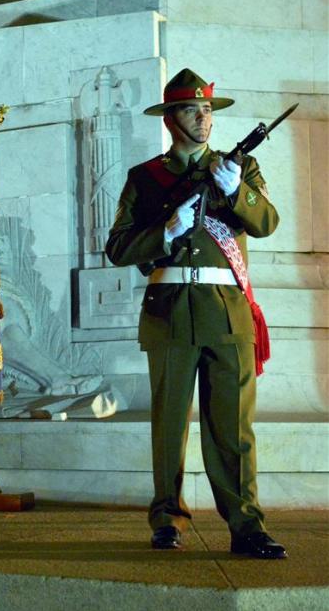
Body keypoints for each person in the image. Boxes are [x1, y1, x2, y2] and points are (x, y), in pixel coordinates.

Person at [105, 69, 284, 559]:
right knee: (169, 425)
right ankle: (167, 517)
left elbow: (267, 222)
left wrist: (235, 193)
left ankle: (247, 525)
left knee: (233, 427)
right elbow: (117, 248)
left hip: (227, 314)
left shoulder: (238, 169)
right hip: (168, 314)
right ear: (171, 119)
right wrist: (167, 229)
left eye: (207, 110)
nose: (203, 119)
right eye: (192, 110)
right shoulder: (145, 178)